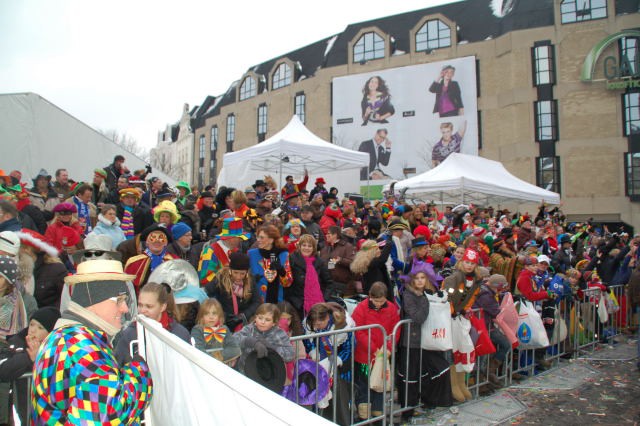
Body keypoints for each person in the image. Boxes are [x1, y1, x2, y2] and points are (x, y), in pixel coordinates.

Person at [31, 259, 152, 424]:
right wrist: (139, 375)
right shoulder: (80, 346)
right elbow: (107, 415)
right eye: (119, 300)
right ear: (93, 300)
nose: (124, 308)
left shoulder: (69, 336)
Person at [398, 271, 452, 421]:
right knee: (411, 376)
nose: (420, 281)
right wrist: (427, 300)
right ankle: (408, 410)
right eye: (417, 278)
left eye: (423, 278)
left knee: (437, 369)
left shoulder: (427, 293)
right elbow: (418, 317)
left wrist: (438, 299)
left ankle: (427, 402)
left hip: (428, 340)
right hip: (412, 342)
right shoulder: (408, 295)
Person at [0, 307, 61, 425]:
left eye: (40, 328)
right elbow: (3, 370)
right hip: (18, 409)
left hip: (45, 411)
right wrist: (28, 358)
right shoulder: (16, 343)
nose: (32, 330)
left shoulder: (57, 349)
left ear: (50, 332)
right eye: (32, 324)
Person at [351, 282, 400, 421]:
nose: (378, 304)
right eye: (376, 301)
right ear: (370, 297)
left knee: (380, 382)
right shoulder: (361, 308)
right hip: (365, 355)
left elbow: (395, 330)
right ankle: (364, 411)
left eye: (381, 301)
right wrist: (373, 349)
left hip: (383, 353)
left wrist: (389, 347)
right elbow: (359, 331)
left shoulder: (391, 308)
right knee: (364, 383)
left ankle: (378, 409)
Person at [115, 282, 191, 364]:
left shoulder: (180, 334)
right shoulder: (128, 334)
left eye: (149, 306)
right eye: (140, 305)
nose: (142, 310)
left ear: (163, 307)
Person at [442, 248, 483, 401]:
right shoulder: (454, 277)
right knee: (452, 350)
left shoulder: (477, 279)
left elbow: (472, 296)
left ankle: (461, 382)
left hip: (460, 317)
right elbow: (447, 293)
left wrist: (465, 309)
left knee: (463, 348)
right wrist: (451, 309)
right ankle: (453, 384)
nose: (469, 266)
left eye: (472, 263)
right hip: (449, 317)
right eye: (466, 262)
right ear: (461, 262)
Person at [205, 252, 260, 332]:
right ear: (230, 270)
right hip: (223, 319)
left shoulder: (250, 280)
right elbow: (206, 294)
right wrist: (222, 314)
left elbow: (257, 302)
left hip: (243, 321)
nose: (238, 277)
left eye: (242, 274)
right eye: (235, 273)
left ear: (247, 272)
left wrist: (243, 316)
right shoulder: (221, 278)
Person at [233, 303, 295, 373]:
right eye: (260, 318)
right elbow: (233, 340)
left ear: (274, 322)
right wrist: (253, 342)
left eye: (267, 320)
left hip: (268, 375)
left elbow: (290, 355)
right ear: (255, 317)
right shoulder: (249, 329)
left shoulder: (279, 334)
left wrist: (272, 347)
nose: (262, 322)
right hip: (245, 371)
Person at [288, 234, 333, 316]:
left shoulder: (320, 262)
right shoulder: (292, 260)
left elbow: (328, 283)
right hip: (297, 306)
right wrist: (297, 303)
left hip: (318, 306)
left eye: (310, 246)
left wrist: (324, 299)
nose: (306, 248)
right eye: (304, 245)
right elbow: (288, 284)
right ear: (299, 246)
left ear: (314, 248)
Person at [124, 224, 178, 291]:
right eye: (153, 237)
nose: (157, 241)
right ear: (147, 242)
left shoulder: (174, 261)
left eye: (161, 238)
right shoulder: (134, 262)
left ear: (166, 243)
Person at [198, 217, 250, 286]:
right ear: (229, 238)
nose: (240, 240)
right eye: (238, 237)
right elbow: (204, 280)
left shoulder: (236, 251)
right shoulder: (210, 252)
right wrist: (226, 274)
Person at [248, 225, 293, 304]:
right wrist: (252, 280)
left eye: (262, 238)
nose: (258, 240)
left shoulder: (283, 254)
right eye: (257, 237)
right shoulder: (251, 254)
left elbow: (287, 283)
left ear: (271, 240)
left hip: (277, 299)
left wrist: (281, 272)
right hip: (256, 300)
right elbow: (245, 277)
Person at [190, 298, 239, 363]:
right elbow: (199, 352)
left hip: (224, 368)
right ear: (201, 316)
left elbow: (235, 349)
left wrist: (219, 356)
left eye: (214, 313)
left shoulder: (224, 329)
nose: (211, 317)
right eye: (207, 313)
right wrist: (217, 358)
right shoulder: (197, 330)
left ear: (219, 316)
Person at [320, 226, 356, 296]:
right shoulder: (325, 248)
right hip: (326, 283)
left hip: (341, 284)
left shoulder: (347, 246)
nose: (326, 235)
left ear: (335, 235)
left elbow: (353, 263)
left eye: (328, 233)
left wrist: (341, 260)